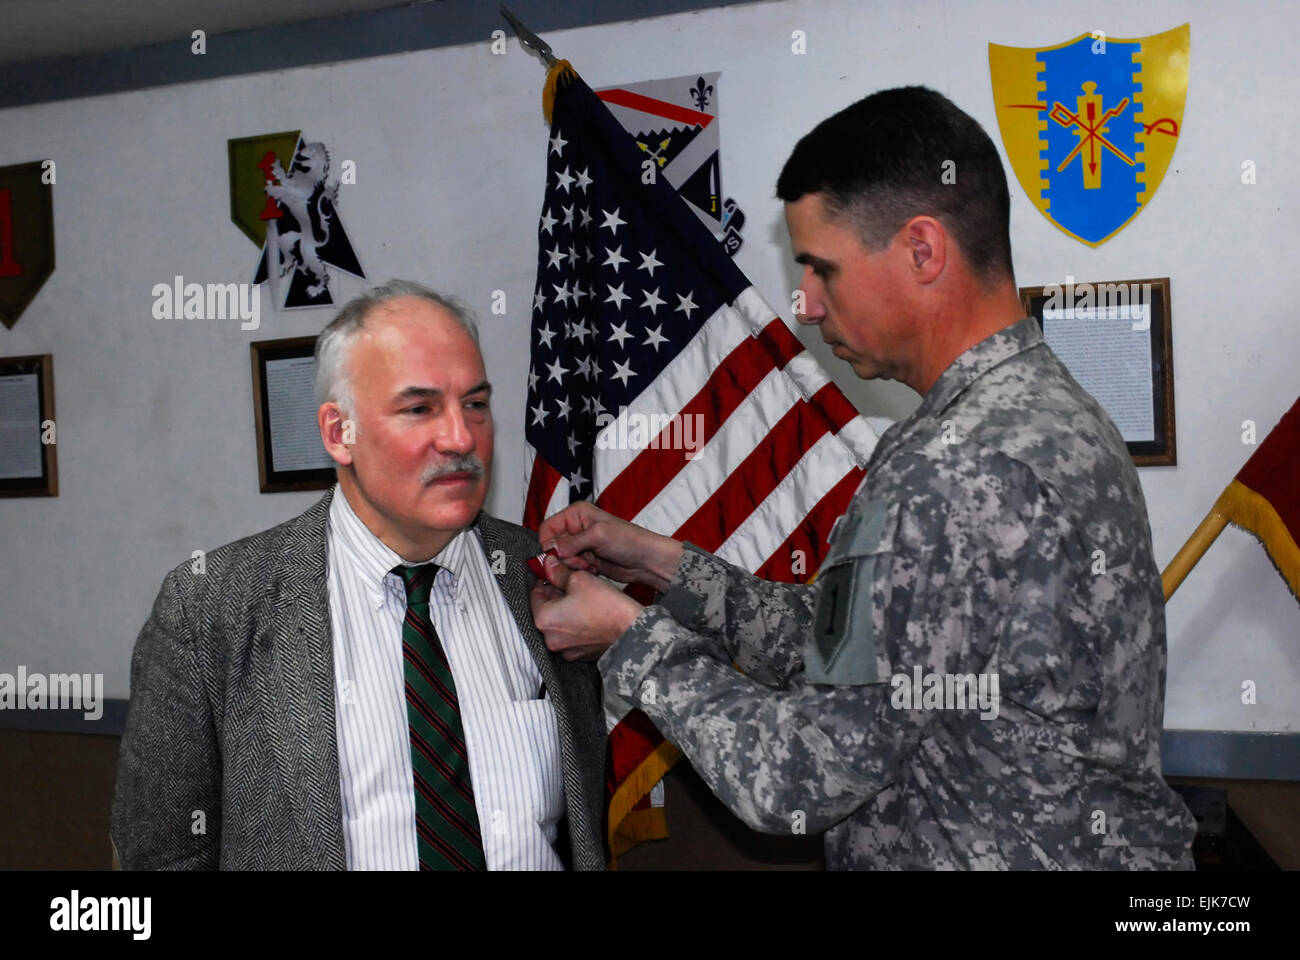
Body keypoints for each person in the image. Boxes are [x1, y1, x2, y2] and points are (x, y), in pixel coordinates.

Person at [529, 87, 1197, 869]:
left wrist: (628, 638)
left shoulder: (949, 466)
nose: (806, 306)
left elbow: (798, 777)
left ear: (922, 249)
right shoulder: (1040, 410)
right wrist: (659, 564)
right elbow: (852, 649)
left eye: (821, 269)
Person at [111, 280, 606, 870]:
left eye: (474, 403)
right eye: (419, 408)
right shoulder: (211, 606)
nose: (459, 437)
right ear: (337, 433)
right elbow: (163, 855)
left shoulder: (544, 578)